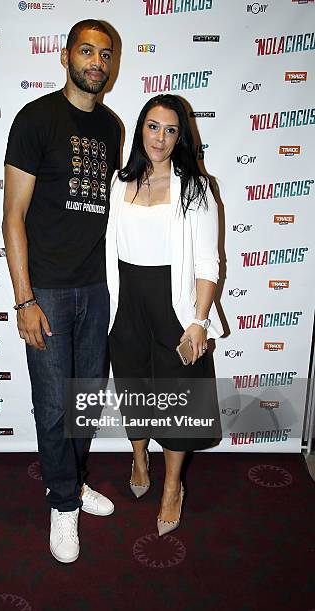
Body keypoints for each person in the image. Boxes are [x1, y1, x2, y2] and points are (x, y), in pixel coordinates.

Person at [3, 19, 121, 563]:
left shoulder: (113, 128)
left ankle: (73, 483)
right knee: (53, 407)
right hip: (46, 292)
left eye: (106, 53)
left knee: (83, 402)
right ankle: (62, 504)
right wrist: (24, 300)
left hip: (95, 290)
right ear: (65, 56)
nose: (97, 61)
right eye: (87, 51)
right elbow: (13, 217)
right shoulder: (36, 119)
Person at [106, 94, 223, 536]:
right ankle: (139, 458)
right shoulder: (120, 183)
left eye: (170, 130)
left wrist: (199, 320)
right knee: (134, 388)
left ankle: (173, 486)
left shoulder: (195, 188)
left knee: (177, 400)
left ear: (181, 137)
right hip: (126, 303)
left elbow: (208, 264)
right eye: (153, 126)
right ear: (141, 129)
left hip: (173, 306)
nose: (160, 137)